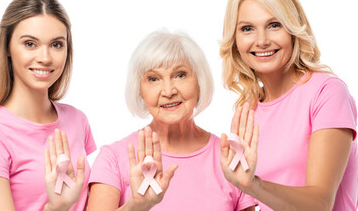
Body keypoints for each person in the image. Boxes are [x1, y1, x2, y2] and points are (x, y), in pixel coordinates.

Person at [218, 0, 358, 211]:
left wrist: (253, 185)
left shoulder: (327, 93)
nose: (261, 41)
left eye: (274, 25)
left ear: (293, 28)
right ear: (235, 41)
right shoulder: (247, 110)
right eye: (247, 29)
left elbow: (320, 204)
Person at [87, 30, 257, 210]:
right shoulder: (112, 158)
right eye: (153, 79)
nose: (168, 92)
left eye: (180, 75)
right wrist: (136, 206)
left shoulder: (231, 159)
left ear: (199, 82)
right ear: (139, 90)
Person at [0, 0, 96, 211]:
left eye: (56, 45)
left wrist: (135, 205)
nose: (45, 58)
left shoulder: (77, 120)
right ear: (7, 48)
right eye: (30, 44)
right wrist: (55, 208)